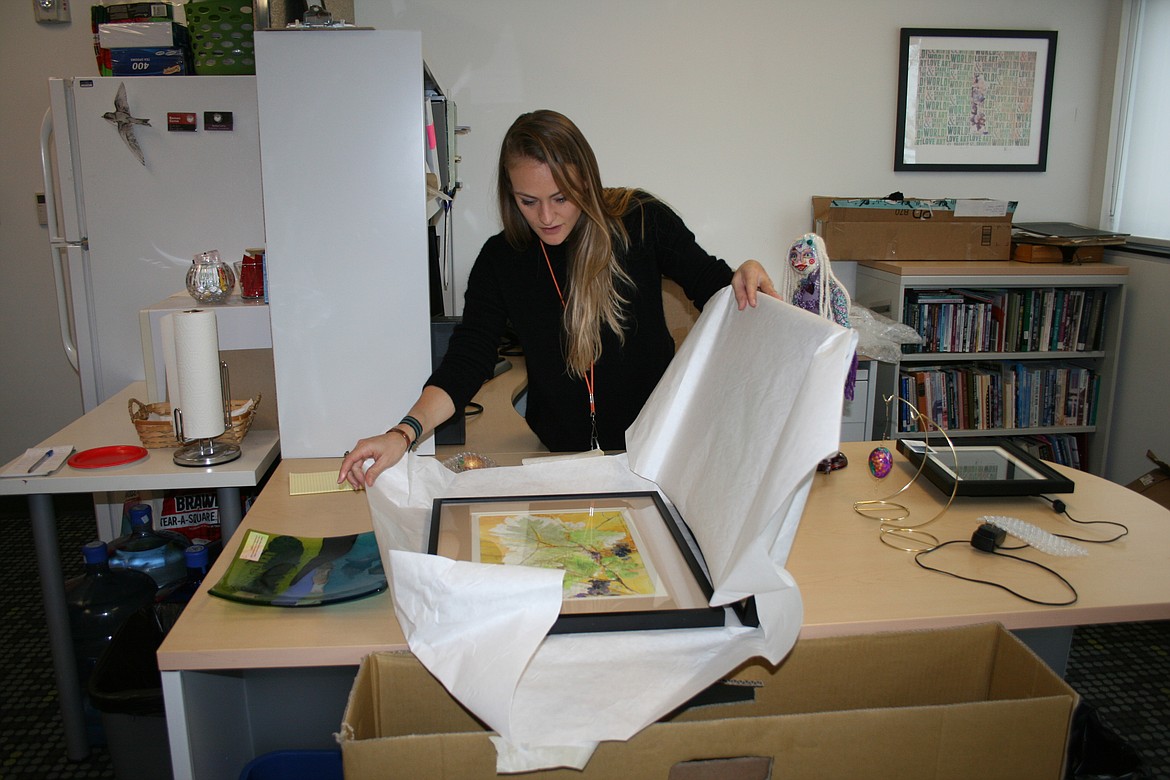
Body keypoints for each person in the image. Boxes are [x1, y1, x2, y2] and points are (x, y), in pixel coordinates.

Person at [338, 110, 778, 489]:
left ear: (586, 180)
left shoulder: (641, 221)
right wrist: (402, 433)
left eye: (561, 198)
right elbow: (466, 362)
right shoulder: (502, 259)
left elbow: (719, 290)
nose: (546, 217)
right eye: (528, 201)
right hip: (558, 457)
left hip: (655, 453)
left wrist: (748, 270)